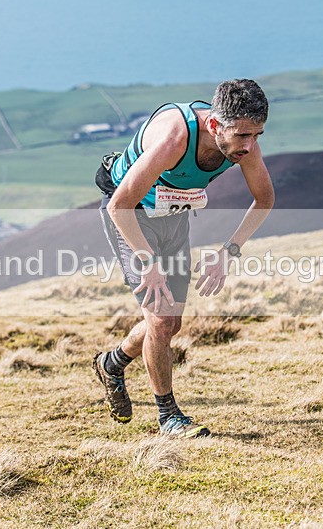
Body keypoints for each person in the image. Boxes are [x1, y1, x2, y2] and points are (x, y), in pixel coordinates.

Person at [92, 79, 274, 437]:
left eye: (257, 135)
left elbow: (264, 198)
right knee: (160, 321)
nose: (250, 146)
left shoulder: (244, 143)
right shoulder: (175, 138)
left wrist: (228, 252)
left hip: (173, 217)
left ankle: (112, 363)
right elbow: (120, 205)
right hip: (131, 217)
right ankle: (168, 417)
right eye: (241, 136)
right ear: (214, 125)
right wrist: (149, 263)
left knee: (171, 323)